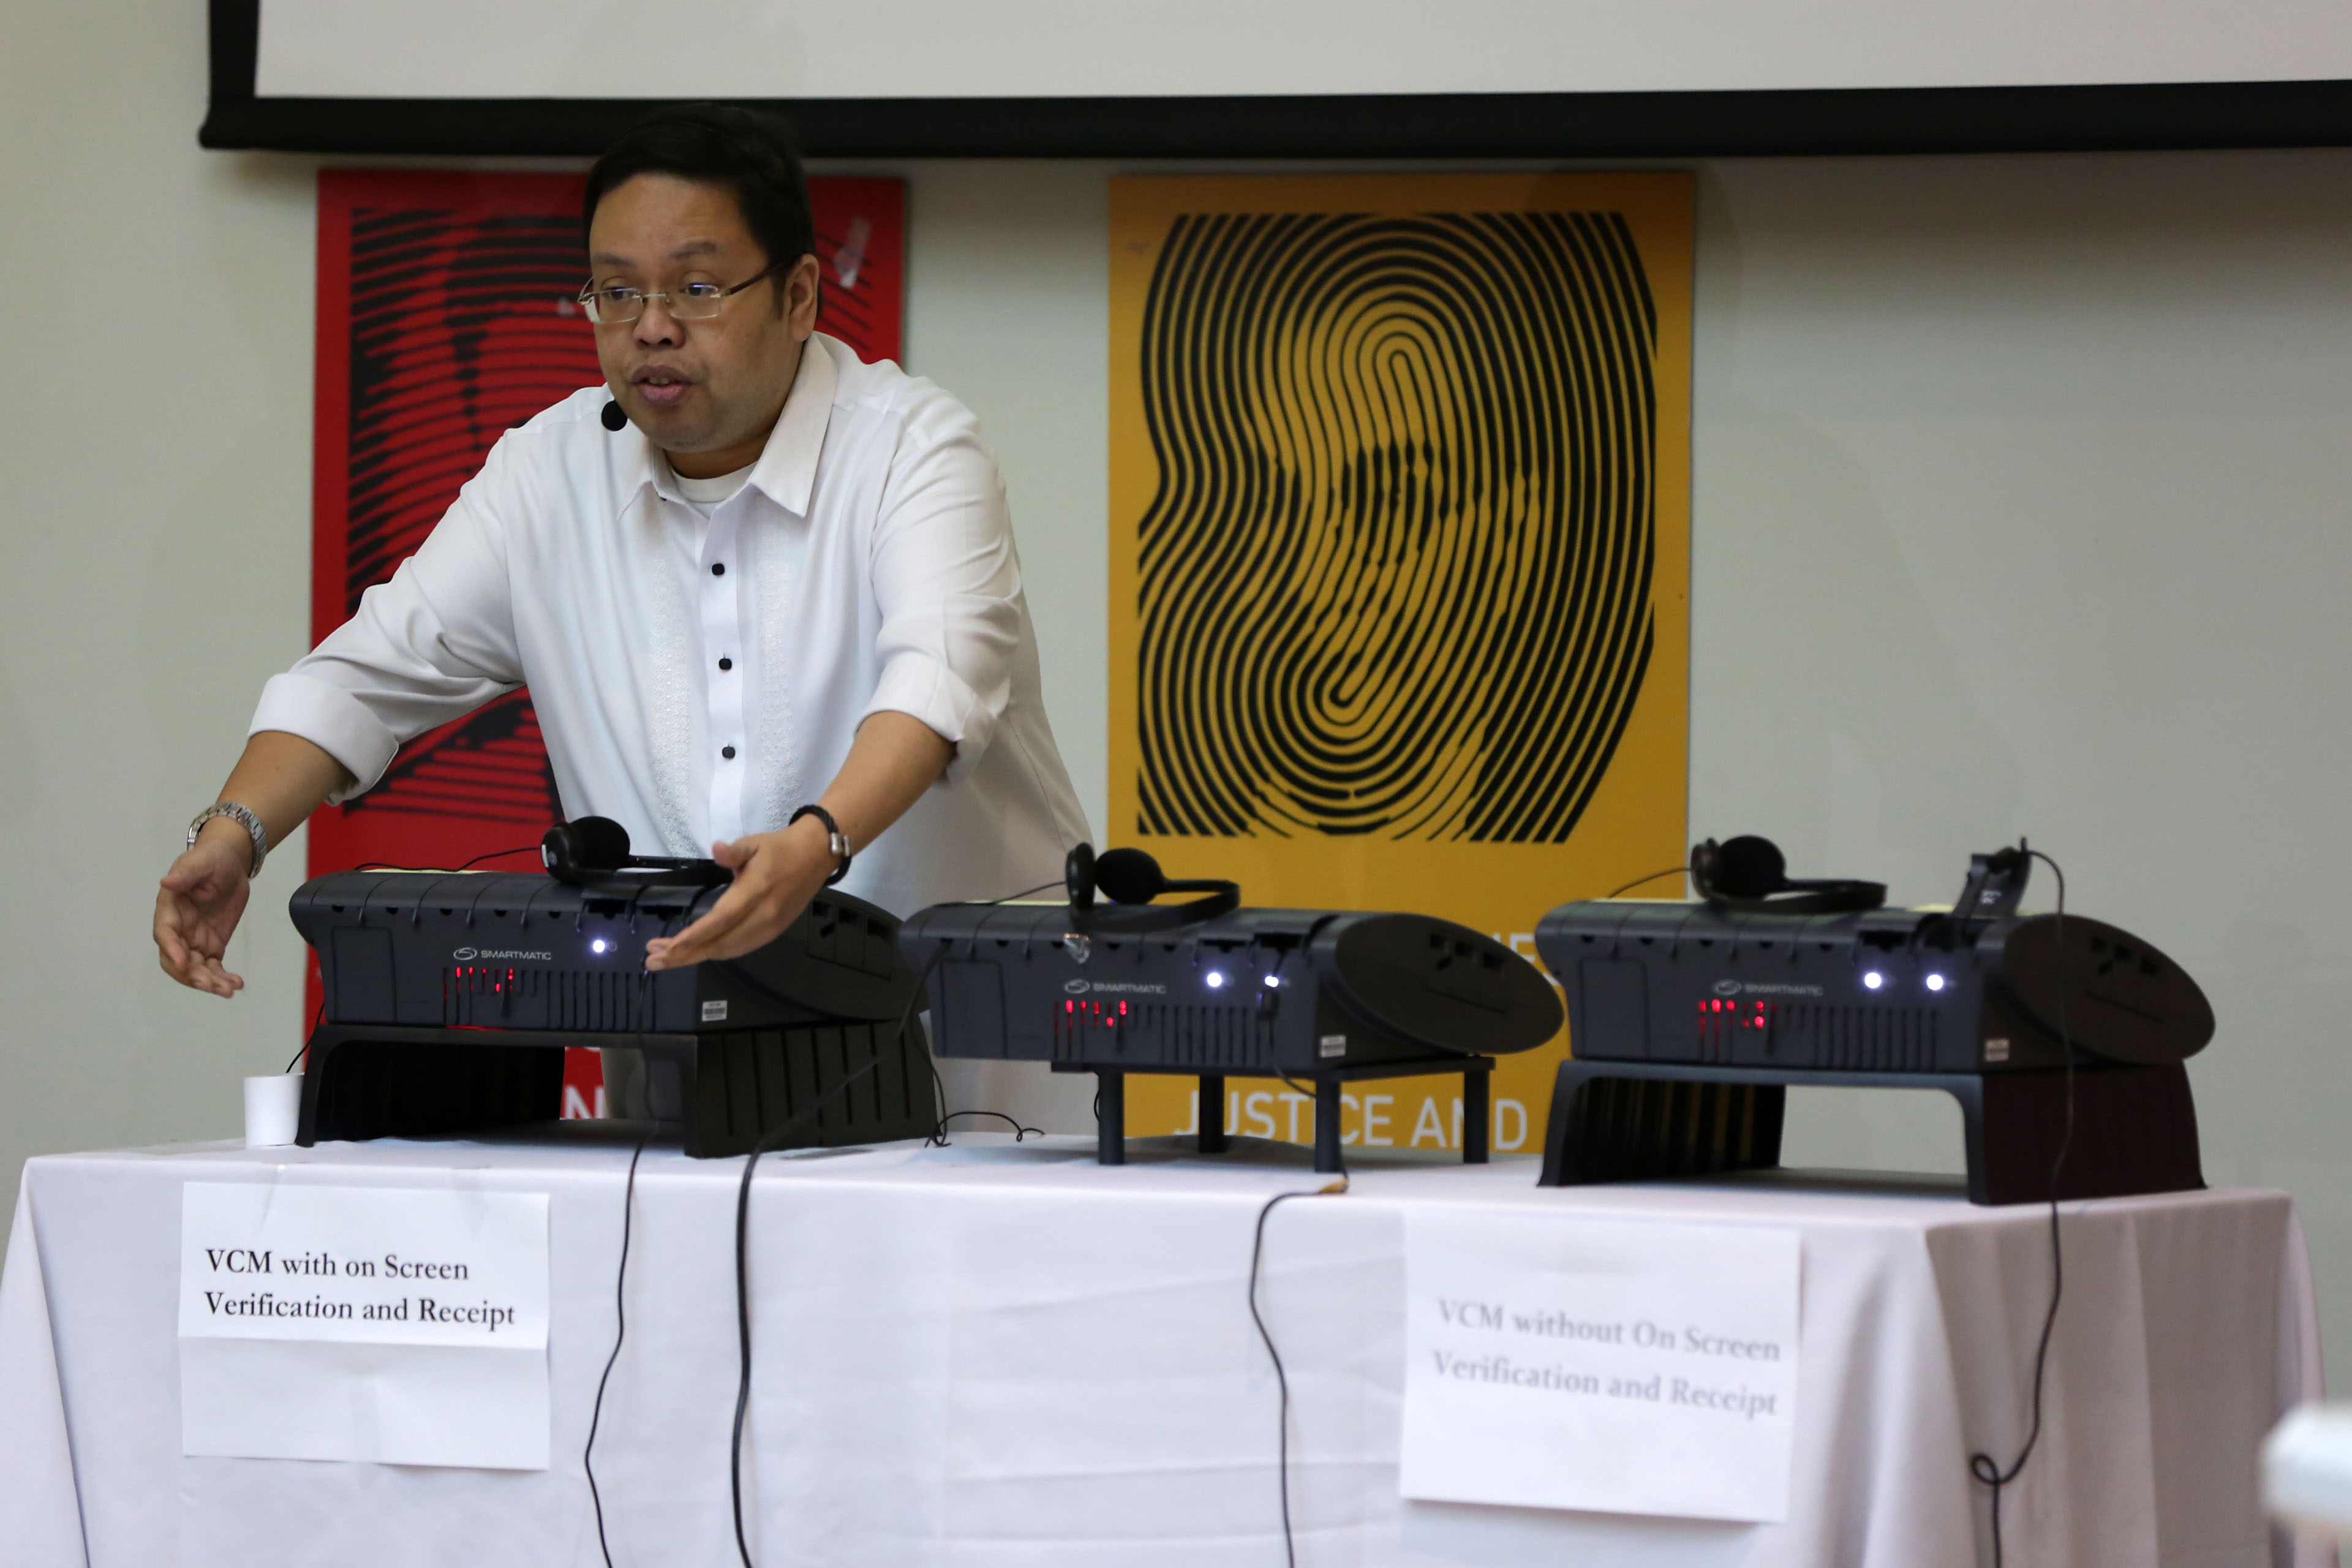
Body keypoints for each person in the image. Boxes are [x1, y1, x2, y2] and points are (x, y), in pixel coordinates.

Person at [153, 104, 1090, 1014]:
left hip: (974, 1050)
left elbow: (935, 684)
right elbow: (363, 679)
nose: (651, 328)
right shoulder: (550, 473)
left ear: (799, 295)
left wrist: (818, 843)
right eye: (617, 291)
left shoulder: (913, 449)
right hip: (685, 1057)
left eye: (695, 288)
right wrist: (236, 833)